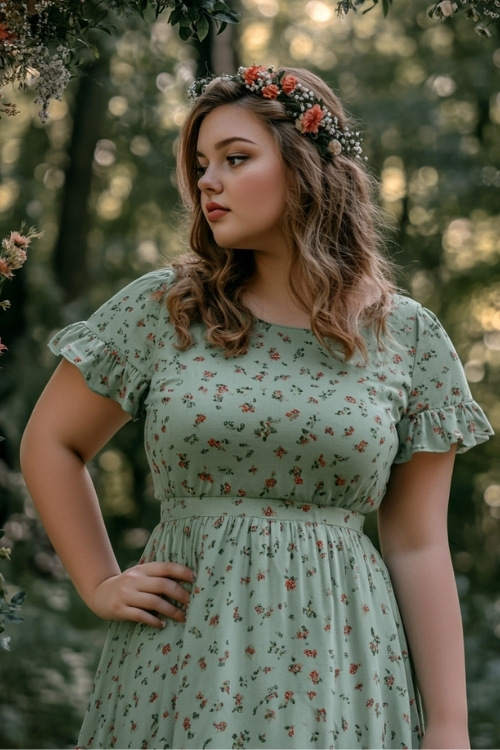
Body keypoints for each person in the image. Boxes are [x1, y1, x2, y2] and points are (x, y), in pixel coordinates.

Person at [20, 65, 493, 750]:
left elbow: (418, 544)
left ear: (306, 168)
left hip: (344, 665)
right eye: (202, 164)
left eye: (236, 159)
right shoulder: (169, 307)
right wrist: (99, 581)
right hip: (183, 659)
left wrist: (449, 727)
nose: (208, 181)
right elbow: (52, 443)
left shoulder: (407, 336)